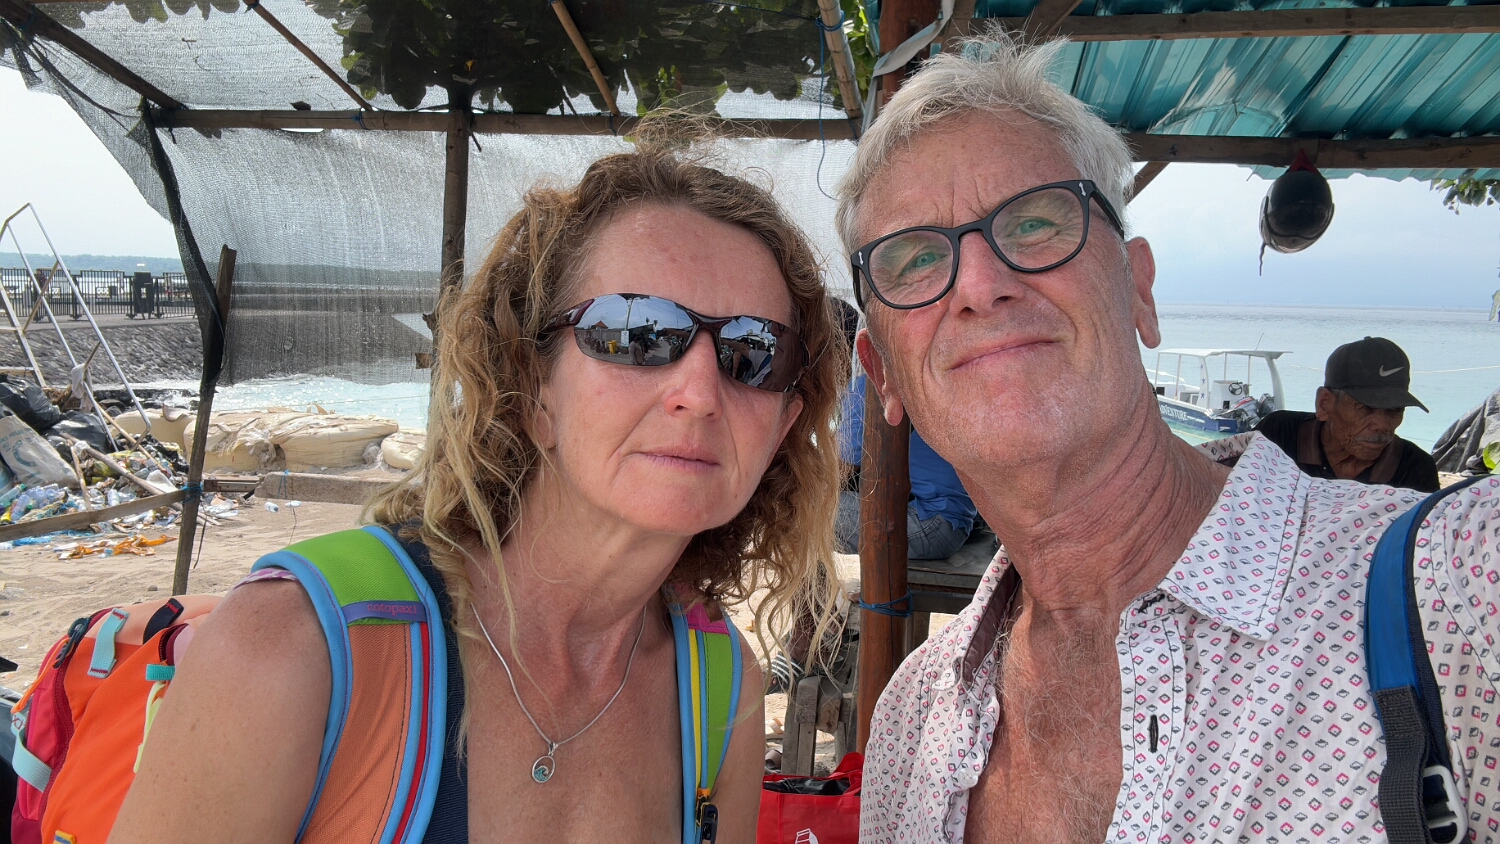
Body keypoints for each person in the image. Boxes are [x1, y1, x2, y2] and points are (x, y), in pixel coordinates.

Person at [839, 30, 1500, 843]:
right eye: (911, 261)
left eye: (1037, 221)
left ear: (1139, 291)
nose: (979, 283)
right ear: (885, 376)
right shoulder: (911, 721)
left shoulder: (1456, 589)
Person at [108, 143, 848, 843]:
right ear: (533, 388)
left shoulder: (720, 691)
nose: (700, 391)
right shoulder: (292, 647)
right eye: (636, 331)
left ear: (784, 423)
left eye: (754, 352)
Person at [1255, 336, 1440, 492]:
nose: (1382, 425)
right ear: (1324, 403)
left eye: (1395, 409)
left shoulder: (1414, 469)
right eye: (1365, 407)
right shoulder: (1278, 436)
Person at [835, 371, 976, 560]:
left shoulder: (868, 383)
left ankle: (815, 577)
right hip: (955, 523)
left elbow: (840, 469)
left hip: (928, 523)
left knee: (804, 505)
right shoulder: (914, 378)